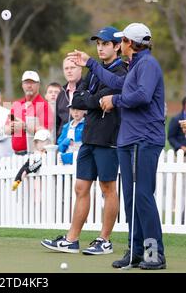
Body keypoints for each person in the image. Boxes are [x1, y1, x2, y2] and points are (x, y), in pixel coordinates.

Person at [69, 22, 167, 269]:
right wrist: (90, 63)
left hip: (144, 139)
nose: (119, 43)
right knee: (132, 198)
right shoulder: (136, 65)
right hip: (130, 140)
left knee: (143, 196)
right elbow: (117, 80)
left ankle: (155, 255)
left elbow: (142, 96)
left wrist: (115, 100)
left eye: (122, 40)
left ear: (130, 44)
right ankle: (136, 252)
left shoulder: (147, 64)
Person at [42, 26, 127, 256]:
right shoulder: (93, 72)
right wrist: (91, 98)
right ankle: (72, 240)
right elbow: (79, 100)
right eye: (98, 43)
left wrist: (90, 98)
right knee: (80, 187)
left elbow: (97, 99)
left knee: (107, 187)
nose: (100, 47)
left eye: (106, 43)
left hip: (108, 137)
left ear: (117, 46)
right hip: (89, 136)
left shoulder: (122, 71)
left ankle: (104, 240)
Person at [6, 71, 53, 155]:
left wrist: (25, 127)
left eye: (32, 83)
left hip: (34, 154)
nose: (29, 86)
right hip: (15, 155)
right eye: (26, 82)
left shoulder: (44, 105)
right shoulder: (17, 104)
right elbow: (6, 130)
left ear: (38, 85)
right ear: (22, 85)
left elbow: (46, 132)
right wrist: (12, 127)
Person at [55, 57, 82, 141]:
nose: (69, 71)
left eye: (72, 68)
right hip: (62, 144)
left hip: (82, 144)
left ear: (80, 69)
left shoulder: (88, 90)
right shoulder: (61, 93)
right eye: (66, 68)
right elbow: (57, 122)